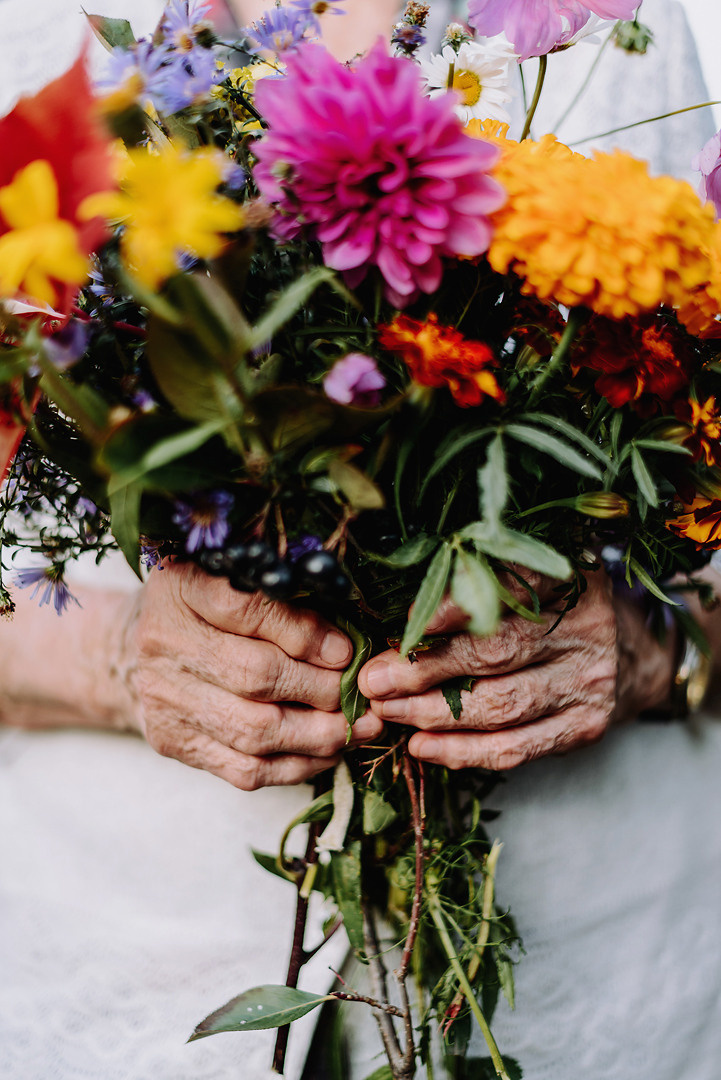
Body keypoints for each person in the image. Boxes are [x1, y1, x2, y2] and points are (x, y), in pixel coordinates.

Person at [1, 1, 721, 1078]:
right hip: (128, 984)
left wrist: (653, 647)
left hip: (599, 990)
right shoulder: (31, 32)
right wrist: (112, 658)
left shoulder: (629, 31)